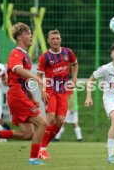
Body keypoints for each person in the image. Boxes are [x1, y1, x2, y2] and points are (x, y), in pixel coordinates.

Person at [0, 22, 46, 165]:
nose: (31, 36)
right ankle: (33, 159)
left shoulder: (26, 56)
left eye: (31, 33)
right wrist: (36, 78)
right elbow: (18, 70)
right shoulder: (16, 53)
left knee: (27, 134)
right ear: (19, 37)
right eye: (28, 33)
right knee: (42, 124)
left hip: (22, 95)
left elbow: (24, 79)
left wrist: (31, 98)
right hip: (17, 95)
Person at [37, 29, 78, 160]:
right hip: (50, 91)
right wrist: (42, 90)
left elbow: (75, 64)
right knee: (50, 119)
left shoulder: (68, 52)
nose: (55, 40)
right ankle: (42, 149)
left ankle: (42, 147)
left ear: (60, 40)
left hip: (63, 91)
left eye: (57, 38)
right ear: (48, 41)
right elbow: (38, 75)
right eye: (52, 38)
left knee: (60, 121)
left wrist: (74, 78)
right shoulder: (45, 57)